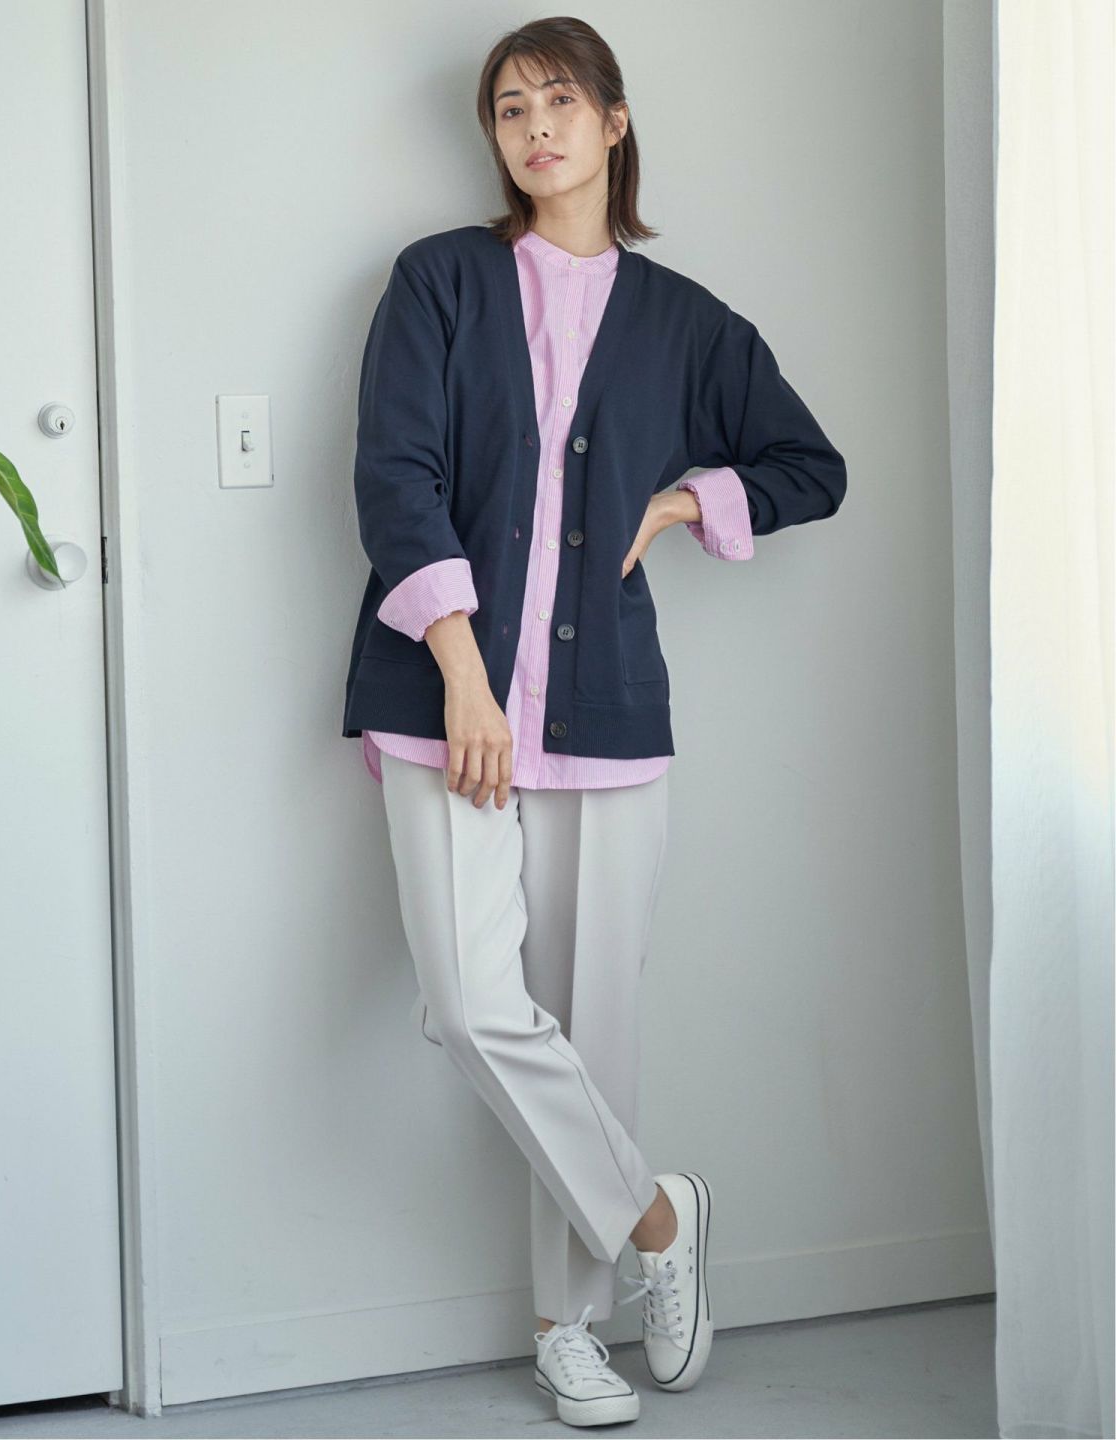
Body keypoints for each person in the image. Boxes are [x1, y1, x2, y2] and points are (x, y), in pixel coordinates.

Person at [341, 15, 847, 1427]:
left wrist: (684, 502)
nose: (534, 129)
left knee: (592, 1026)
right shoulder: (440, 280)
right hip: (445, 703)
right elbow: (394, 474)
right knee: (470, 1003)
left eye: (559, 101)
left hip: (608, 713)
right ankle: (658, 1222)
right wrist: (460, 668)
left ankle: (570, 1330)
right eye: (509, 109)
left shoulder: (686, 323)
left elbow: (811, 465)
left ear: (614, 122)